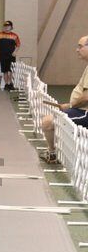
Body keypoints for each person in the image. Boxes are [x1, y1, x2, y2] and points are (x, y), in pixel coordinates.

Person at [40, 35, 88, 164]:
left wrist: (72, 105)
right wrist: (71, 105)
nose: (77, 50)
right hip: (81, 110)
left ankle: (52, 153)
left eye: (80, 46)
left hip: (85, 113)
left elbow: (86, 97)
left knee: (48, 122)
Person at [0, 20, 20, 90]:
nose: (6, 27)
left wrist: (15, 52)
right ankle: (6, 84)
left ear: (11, 27)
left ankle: (11, 83)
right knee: (5, 71)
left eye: (8, 26)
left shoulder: (15, 36)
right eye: (5, 26)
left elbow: (18, 45)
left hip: (11, 56)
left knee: (11, 71)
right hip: (2, 55)